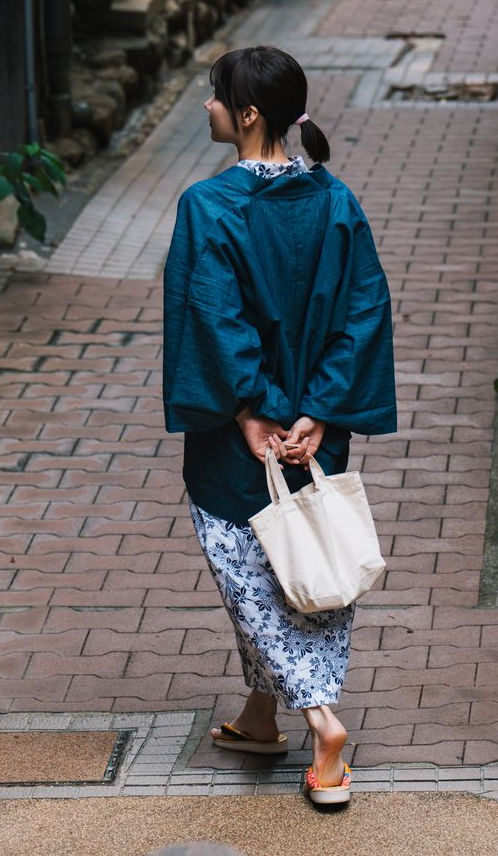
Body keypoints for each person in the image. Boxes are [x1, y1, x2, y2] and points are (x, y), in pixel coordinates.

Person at [162, 44, 396, 807]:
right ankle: (261, 716)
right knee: (300, 560)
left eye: (216, 95)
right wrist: (321, 410)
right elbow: (363, 311)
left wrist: (249, 409)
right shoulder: (335, 202)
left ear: (249, 114)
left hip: (242, 435)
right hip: (311, 430)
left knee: (251, 576)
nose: (207, 106)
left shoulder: (210, 206)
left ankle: (323, 724)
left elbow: (213, 317)